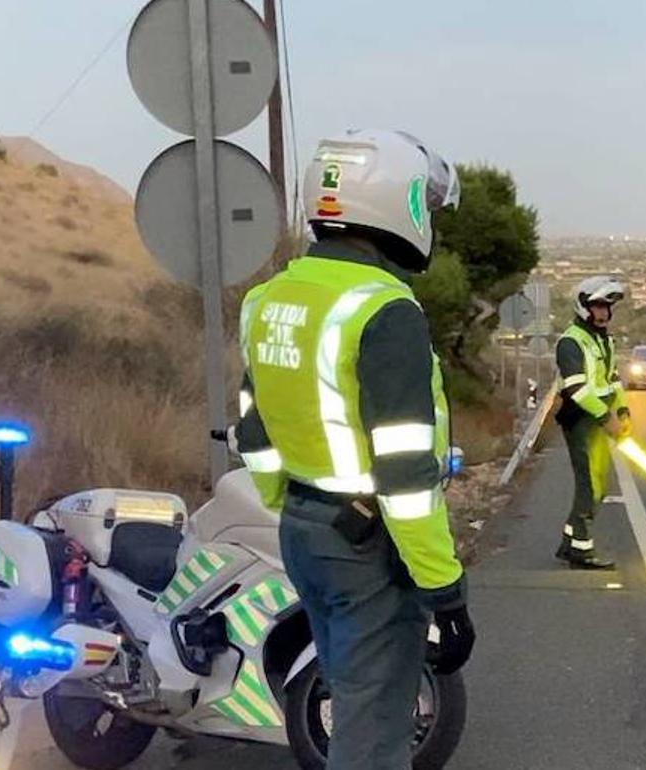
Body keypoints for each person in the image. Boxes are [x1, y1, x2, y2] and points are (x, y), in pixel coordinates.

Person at [230, 129, 474, 770]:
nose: (434, 224)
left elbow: (253, 427)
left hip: (306, 530)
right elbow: (405, 473)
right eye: (430, 208)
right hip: (366, 544)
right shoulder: (384, 308)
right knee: (372, 737)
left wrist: (293, 498)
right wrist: (444, 588)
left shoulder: (268, 299)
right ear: (398, 205)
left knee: (350, 698)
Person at [553, 276, 630, 570]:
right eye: (599, 306)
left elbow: (613, 379)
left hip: (600, 422)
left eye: (608, 307)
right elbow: (577, 388)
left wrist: (622, 412)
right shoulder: (571, 342)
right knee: (589, 487)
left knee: (598, 483)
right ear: (584, 306)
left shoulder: (604, 340)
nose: (604, 313)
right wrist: (604, 416)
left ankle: (570, 542)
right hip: (581, 422)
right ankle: (581, 550)